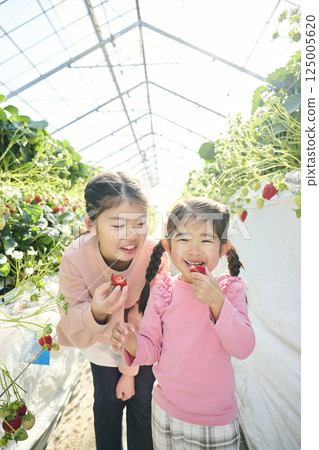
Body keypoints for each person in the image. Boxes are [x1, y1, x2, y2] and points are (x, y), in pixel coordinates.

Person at [112, 197, 255, 450]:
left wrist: (217, 302)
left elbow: (243, 348)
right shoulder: (163, 290)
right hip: (165, 411)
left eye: (206, 240)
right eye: (184, 239)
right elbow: (152, 348)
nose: (194, 250)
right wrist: (132, 341)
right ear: (167, 246)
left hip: (215, 419)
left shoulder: (228, 290)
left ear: (223, 249)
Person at [56, 171, 168, 450]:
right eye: (118, 225)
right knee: (107, 406)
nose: (131, 236)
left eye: (140, 223)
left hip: (142, 340)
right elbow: (70, 311)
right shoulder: (75, 256)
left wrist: (129, 370)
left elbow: (154, 314)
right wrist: (96, 311)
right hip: (100, 338)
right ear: (90, 224)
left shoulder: (154, 253)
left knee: (143, 405)